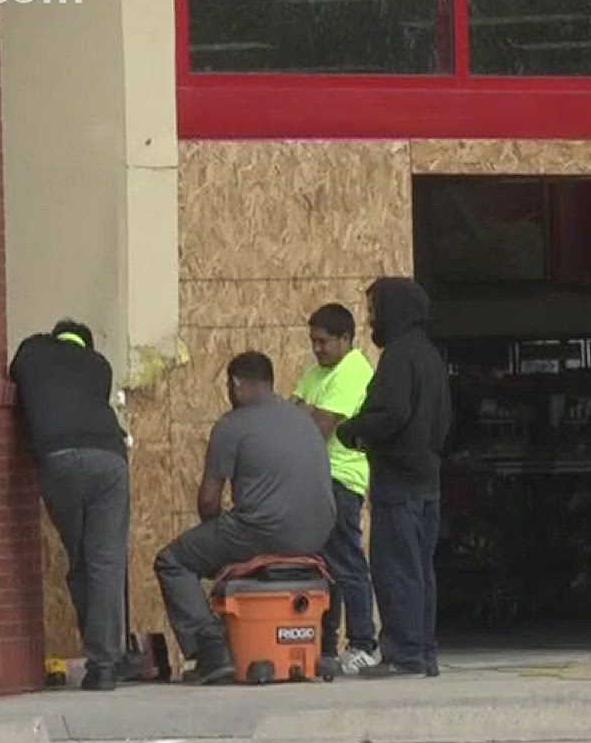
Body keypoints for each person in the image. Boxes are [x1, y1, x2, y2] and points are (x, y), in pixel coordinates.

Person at [155, 351, 337, 684]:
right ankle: (324, 650)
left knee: (173, 561)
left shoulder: (232, 425)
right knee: (224, 545)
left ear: (237, 384)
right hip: (317, 534)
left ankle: (212, 651)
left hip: (261, 530)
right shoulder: (303, 420)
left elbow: (209, 501)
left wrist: (215, 538)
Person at [335, 278, 453, 678]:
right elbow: (442, 422)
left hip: (399, 482)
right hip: (427, 481)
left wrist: (353, 430)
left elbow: (391, 414)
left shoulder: (399, 357)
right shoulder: (431, 356)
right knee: (420, 569)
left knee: (396, 569)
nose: (371, 320)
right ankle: (423, 653)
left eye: (374, 310)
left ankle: (403, 655)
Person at [8, 320, 132, 691]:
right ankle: (106, 663)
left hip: (58, 459)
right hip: (110, 460)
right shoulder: (99, 365)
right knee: (106, 561)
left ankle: (100, 657)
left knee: (80, 558)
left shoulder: (31, 350)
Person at [292, 303, 380, 675]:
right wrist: (307, 412)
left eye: (323, 342)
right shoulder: (317, 372)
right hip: (315, 478)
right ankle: (326, 643)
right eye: (313, 341)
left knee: (346, 560)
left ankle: (362, 642)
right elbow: (290, 416)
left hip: (342, 478)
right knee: (323, 564)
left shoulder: (354, 370)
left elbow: (318, 427)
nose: (316, 348)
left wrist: (308, 412)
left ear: (346, 339)